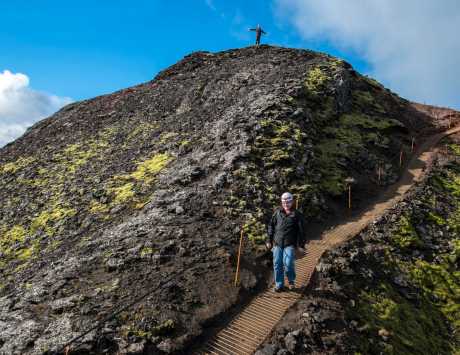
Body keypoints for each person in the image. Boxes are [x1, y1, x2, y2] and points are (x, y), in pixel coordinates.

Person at [266, 192, 306, 292]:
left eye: (288, 201)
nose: (286, 204)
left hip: (290, 244)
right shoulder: (277, 213)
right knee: (277, 263)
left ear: (292, 202)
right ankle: (279, 285)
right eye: (284, 202)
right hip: (277, 243)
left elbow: (302, 230)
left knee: (288, 264)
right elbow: (271, 226)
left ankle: (291, 281)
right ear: (281, 202)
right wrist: (269, 240)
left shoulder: (297, 215)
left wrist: (301, 245)